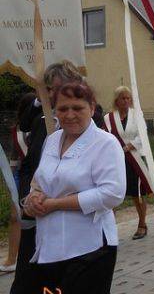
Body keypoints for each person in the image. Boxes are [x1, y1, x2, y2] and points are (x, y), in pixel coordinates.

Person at [23, 82, 126, 293]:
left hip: (89, 248)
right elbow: (40, 180)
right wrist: (32, 198)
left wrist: (55, 204)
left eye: (77, 108)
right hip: (49, 248)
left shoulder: (106, 143)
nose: (69, 115)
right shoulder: (52, 140)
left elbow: (112, 194)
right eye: (62, 109)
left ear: (92, 107)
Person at [11, 60, 83, 294]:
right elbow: (28, 167)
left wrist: (55, 202)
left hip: (69, 225)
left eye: (53, 88)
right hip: (36, 218)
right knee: (26, 283)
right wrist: (27, 200)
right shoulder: (42, 121)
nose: (48, 94)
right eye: (47, 88)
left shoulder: (87, 124)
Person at [104, 86, 152, 240]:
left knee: (139, 192)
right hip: (118, 160)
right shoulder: (108, 118)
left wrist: (128, 146)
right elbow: (105, 138)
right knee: (126, 192)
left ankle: (142, 224)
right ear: (116, 100)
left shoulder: (137, 115)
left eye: (128, 98)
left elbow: (142, 134)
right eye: (123, 98)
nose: (126, 101)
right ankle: (108, 227)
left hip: (136, 157)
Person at [1, 93, 36, 273]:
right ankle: (11, 258)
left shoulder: (43, 124)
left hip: (38, 177)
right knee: (15, 217)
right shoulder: (17, 129)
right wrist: (11, 178)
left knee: (34, 216)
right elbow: (15, 155)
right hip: (20, 176)